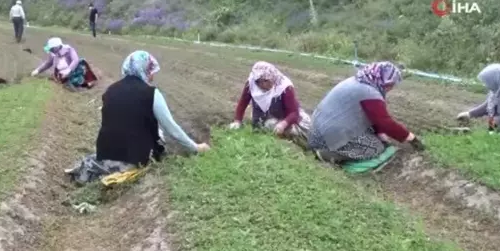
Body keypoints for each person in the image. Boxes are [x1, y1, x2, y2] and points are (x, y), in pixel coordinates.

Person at [65, 50, 210, 184]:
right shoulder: (151, 93)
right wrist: (195, 147)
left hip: (105, 153)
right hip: (136, 158)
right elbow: (171, 129)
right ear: (144, 70)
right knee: (158, 132)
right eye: (151, 70)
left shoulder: (110, 90)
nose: (153, 75)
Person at [309, 61, 424, 166]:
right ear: (384, 81)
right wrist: (411, 138)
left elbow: (373, 118)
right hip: (326, 137)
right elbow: (385, 122)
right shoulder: (369, 93)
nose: (391, 88)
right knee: (375, 148)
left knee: (372, 134)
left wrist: (380, 133)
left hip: (316, 129)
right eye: (390, 84)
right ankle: (329, 154)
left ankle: (331, 148)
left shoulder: (358, 81)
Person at [229, 61, 311, 144]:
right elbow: (243, 102)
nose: (264, 85)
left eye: (268, 81)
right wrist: (237, 121)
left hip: (286, 118)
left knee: (308, 133)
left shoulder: (284, 87)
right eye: (261, 82)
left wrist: (283, 124)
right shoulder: (251, 83)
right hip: (262, 119)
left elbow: (294, 112)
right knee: (268, 126)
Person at [30, 37, 98, 89]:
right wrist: (37, 71)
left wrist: (68, 70)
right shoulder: (52, 53)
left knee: (83, 62)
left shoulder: (69, 49)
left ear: (57, 47)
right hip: (61, 73)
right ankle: (78, 84)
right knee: (71, 82)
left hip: (71, 68)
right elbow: (48, 63)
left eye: (52, 48)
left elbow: (75, 60)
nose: (50, 50)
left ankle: (90, 81)